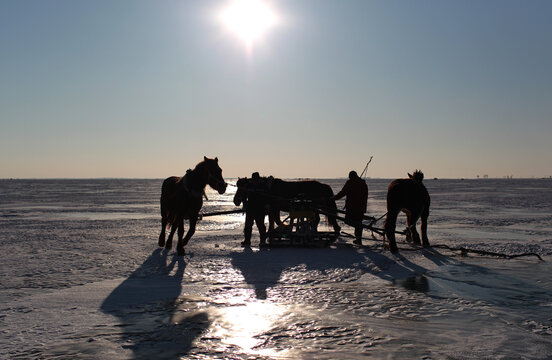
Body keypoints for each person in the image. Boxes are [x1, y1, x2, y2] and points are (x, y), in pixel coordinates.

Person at [333, 170, 368, 245]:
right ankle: (358, 239)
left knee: (348, 221)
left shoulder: (350, 183)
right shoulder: (363, 183)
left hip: (352, 207)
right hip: (361, 207)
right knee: (358, 221)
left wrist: (334, 198)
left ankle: (359, 233)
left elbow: (343, 192)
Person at [241, 172, 268, 247]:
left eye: (256, 179)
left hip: (260, 209)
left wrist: (266, 205)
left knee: (261, 226)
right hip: (250, 209)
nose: (255, 181)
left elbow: (267, 197)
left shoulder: (263, 186)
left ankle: (262, 241)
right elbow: (244, 196)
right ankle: (247, 241)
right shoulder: (249, 186)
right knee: (248, 226)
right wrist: (244, 204)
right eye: (254, 179)